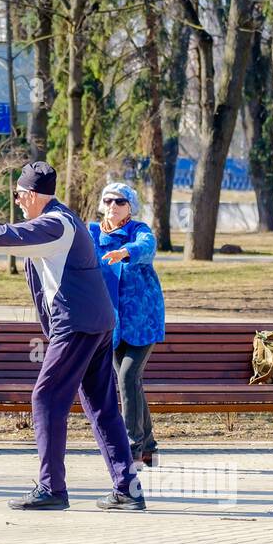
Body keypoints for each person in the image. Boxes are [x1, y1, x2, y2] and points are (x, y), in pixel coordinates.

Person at [0, 162, 145, 512]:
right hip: (95, 323)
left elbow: (7, 235)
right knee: (102, 406)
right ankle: (127, 488)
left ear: (33, 195)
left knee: (46, 398)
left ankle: (53, 488)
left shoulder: (54, 224)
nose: (17, 201)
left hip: (79, 325)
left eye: (19, 195)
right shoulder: (61, 220)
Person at [88, 182, 165, 468]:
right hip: (112, 321)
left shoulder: (139, 231)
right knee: (131, 381)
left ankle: (132, 447)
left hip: (143, 319)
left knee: (127, 378)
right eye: (108, 200)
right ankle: (150, 447)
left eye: (120, 201)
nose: (113, 206)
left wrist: (125, 252)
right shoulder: (92, 232)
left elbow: (147, 247)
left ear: (130, 207)